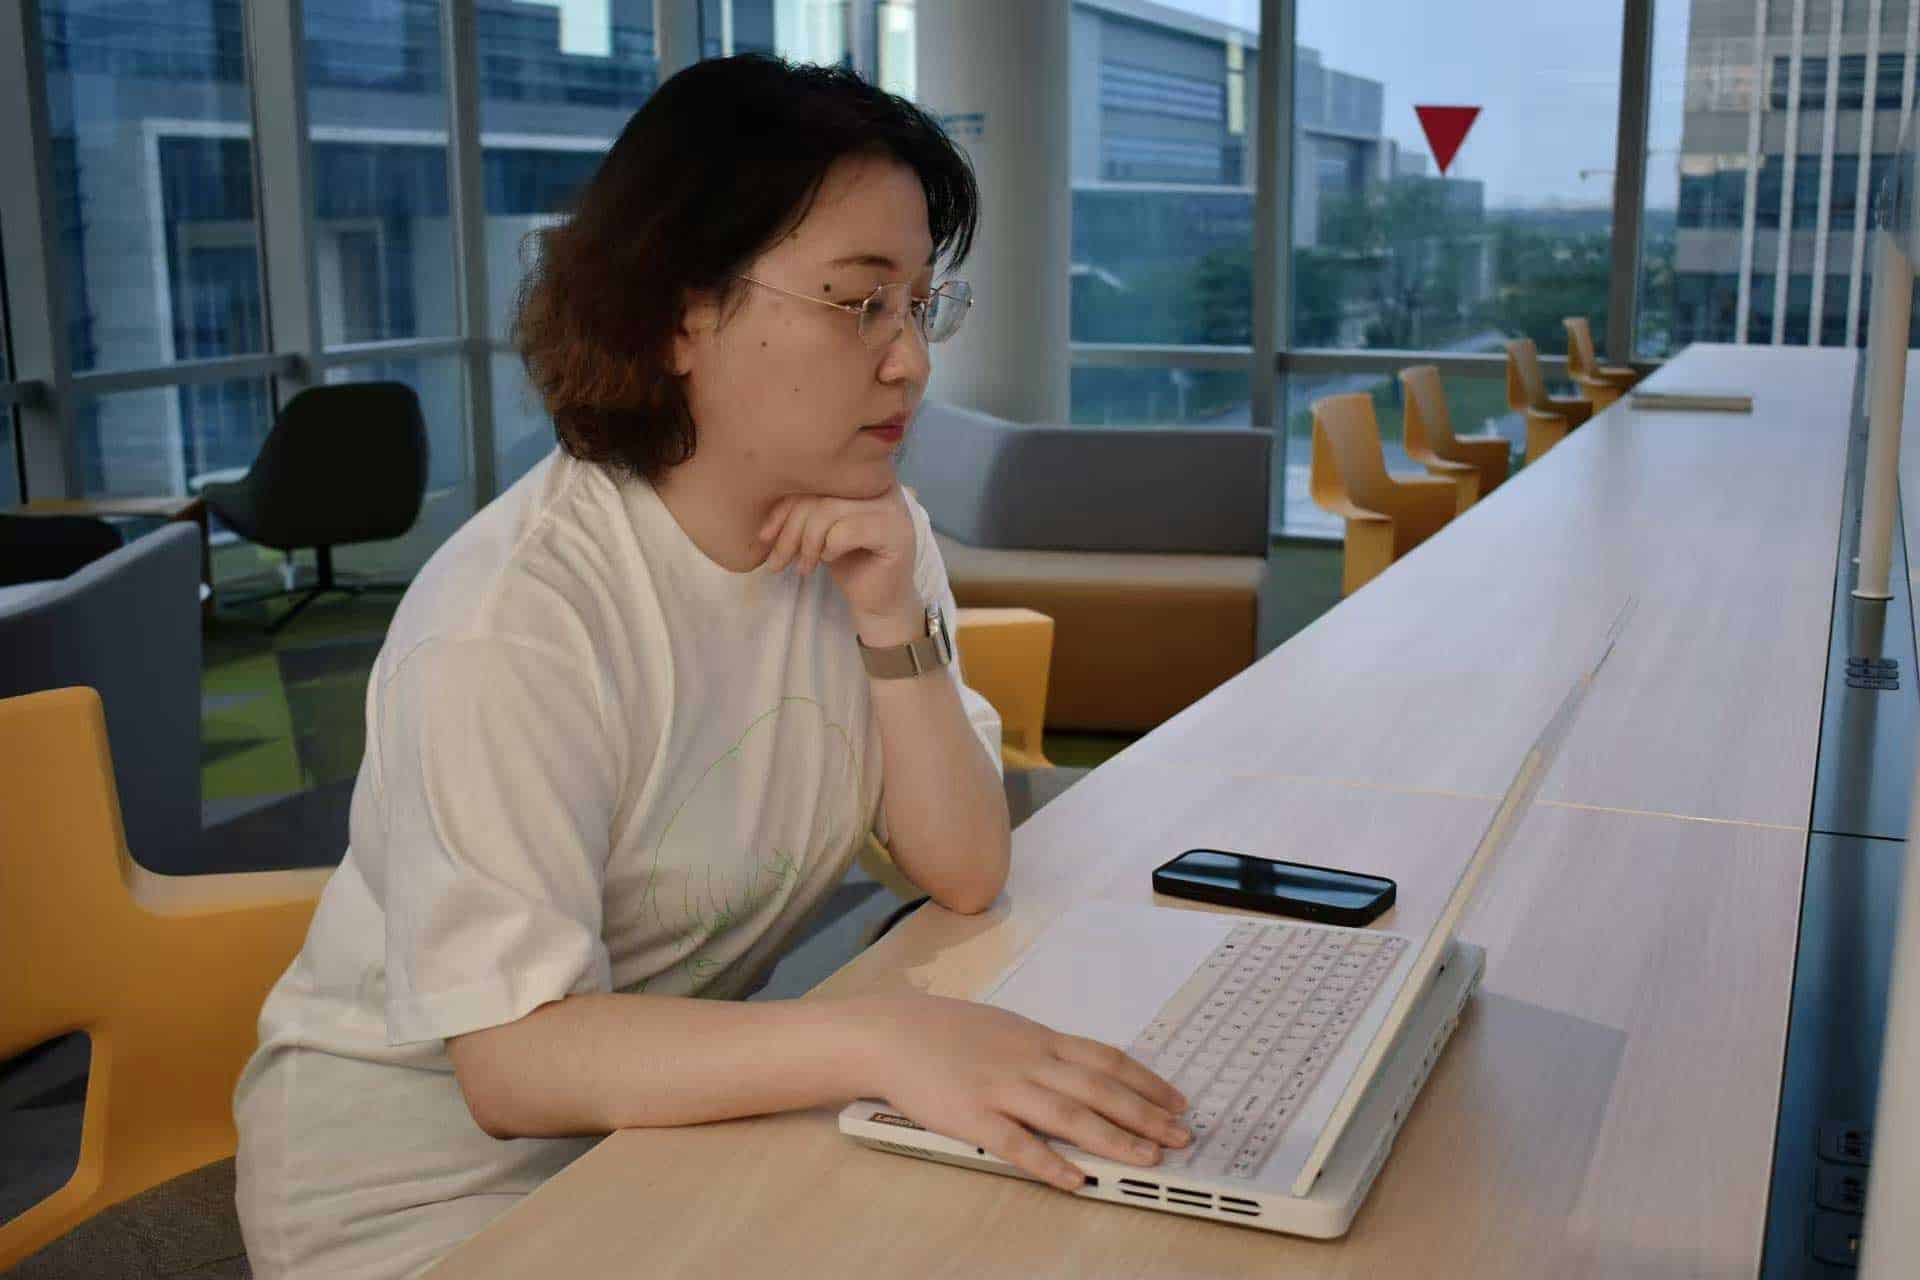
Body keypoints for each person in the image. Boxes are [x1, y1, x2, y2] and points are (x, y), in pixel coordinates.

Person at [233, 54, 1190, 1279]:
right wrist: (879, 1038)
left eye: (919, 305)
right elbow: (511, 1064)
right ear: (681, 313)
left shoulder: (866, 528)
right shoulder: (519, 616)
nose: (910, 359)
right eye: (861, 301)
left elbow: (965, 868)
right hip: (422, 1201)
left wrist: (890, 616)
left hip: (661, 1133)